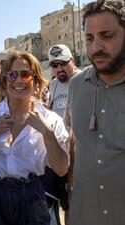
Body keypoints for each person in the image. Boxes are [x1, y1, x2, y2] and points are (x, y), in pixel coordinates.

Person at [0, 51, 69, 225]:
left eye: (26, 74)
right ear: (4, 81)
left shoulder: (50, 120)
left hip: (31, 198)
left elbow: (61, 169)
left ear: (36, 81)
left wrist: (47, 132)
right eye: (12, 74)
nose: (18, 80)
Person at [64, 0, 125, 224]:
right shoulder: (76, 85)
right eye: (89, 38)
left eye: (107, 36)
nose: (95, 47)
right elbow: (75, 141)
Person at [41, 44, 81, 225]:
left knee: (76, 203)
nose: (58, 69)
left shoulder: (83, 80)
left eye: (63, 64)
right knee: (63, 204)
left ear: (72, 61)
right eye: (54, 65)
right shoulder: (53, 85)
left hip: (79, 153)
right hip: (58, 152)